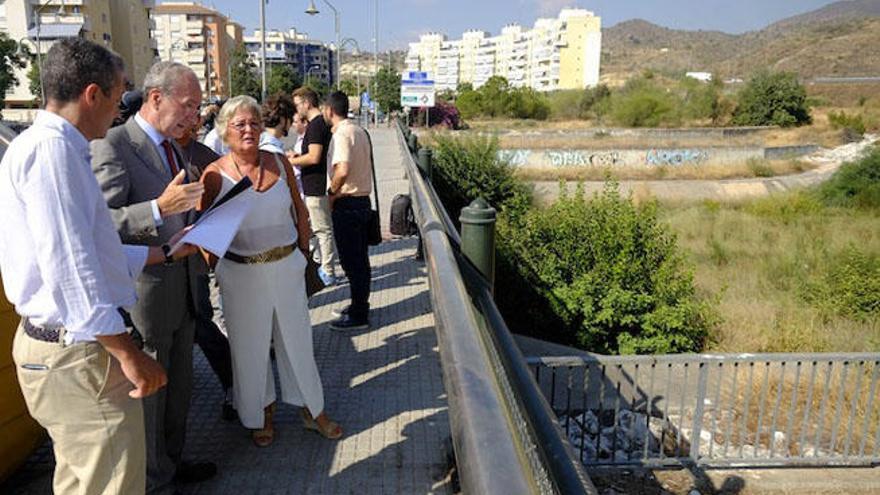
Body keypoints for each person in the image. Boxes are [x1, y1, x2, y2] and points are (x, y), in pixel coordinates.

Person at [0, 38, 196, 495]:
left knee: (85, 479)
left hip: (68, 349)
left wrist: (163, 253)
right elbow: (70, 268)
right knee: (110, 483)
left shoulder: (51, 147)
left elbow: (92, 248)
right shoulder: (52, 152)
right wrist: (128, 353)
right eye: (118, 94)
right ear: (93, 94)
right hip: (78, 352)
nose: (119, 109)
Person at [91, 61, 216, 493]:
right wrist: (158, 209)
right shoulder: (114, 145)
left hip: (183, 284)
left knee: (180, 387)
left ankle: (172, 462)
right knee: (152, 395)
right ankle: (151, 480)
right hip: (145, 294)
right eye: (188, 105)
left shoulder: (175, 147)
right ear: (157, 97)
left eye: (198, 108)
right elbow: (101, 224)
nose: (194, 116)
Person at [198, 95, 342, 447]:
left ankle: (313, 409)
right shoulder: (214, 175)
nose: (249, 129)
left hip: (286, 267)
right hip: (240, 274)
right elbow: (204, 233)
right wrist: (217, 271)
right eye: (240, 124)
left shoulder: (278, 161)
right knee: (249, 348)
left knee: (298, 343)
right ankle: (261, 413)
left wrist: (304, 257)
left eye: (254, 122)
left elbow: (300, 212)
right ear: (225, 132)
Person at [177, 116, 236, 421]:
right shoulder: (152, 150)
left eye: (192, 113)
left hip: (194, 260)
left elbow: (227, 209)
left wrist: (211, 255)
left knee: (200, 322)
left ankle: (233, 385)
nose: (188, 120)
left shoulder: (206, 158)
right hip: (156, 263)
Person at [323, 91, 374, 330]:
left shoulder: (341, 134)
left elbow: (342, 170)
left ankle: (359, 315)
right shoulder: (360, 131)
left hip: (348, 203)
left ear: (329, 110)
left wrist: (332, 194)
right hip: (363, 202)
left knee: (352, 263)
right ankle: (358, 305)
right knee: (360, 261)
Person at [288, 87, 339, 286]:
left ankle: (328, 270)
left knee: (322, 229)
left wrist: (291, 161)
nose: (296, 109)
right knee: (316, 228)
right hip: (312, 185)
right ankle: (321, 264)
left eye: (298, 104)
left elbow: (314, 156)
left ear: (307, 103)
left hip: (316, 186)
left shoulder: (316, 125)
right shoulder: (316, 124)